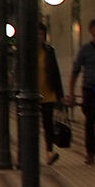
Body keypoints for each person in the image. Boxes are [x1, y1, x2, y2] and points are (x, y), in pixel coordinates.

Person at [69, 19, 95, 165]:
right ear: (91, 30)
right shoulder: (85, 49)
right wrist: (71, 93)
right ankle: (90, 152)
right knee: (90, 121)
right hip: (90, 89)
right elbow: (75, 71)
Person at [39, 35, 65, 165]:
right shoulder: (27, 50)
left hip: (48, 93)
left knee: (48, 124)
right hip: (30, 94)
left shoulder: (49, 51)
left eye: (41, 34)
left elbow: (55, 72)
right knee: (29, 124)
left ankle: (49, 152)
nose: (39, 37)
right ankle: (25, 154)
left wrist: (60, 95)